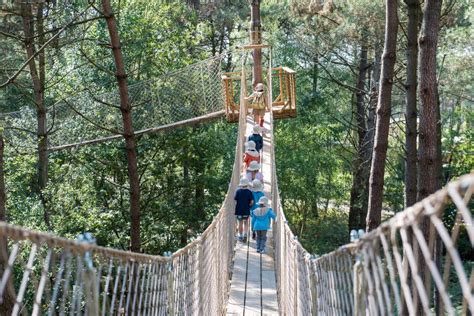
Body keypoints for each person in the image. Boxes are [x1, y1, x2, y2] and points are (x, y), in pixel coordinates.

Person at [234, 177, 254, 241]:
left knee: (240, 223)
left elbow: (235, 199)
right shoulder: (249, 192)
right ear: (247, 184)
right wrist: (249, 206)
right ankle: (245, 234)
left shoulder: (238, 191)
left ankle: (240, 235)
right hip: (246, 210)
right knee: (246, 222)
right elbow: (252, 202)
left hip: (239, 210)